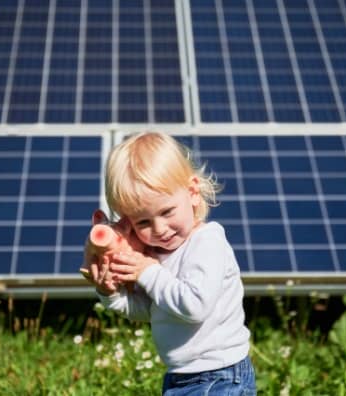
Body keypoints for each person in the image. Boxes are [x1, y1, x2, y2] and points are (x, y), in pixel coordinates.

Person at [83, 131, 256, 395]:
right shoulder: (158, 254)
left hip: (219, 374)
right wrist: (111, 293)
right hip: (180, 376)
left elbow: (195, 305)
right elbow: (151, 311)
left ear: (192, 192)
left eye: (166, 212)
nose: (160, 229)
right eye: (143, 222)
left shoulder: (207, 242)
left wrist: (148, 272)